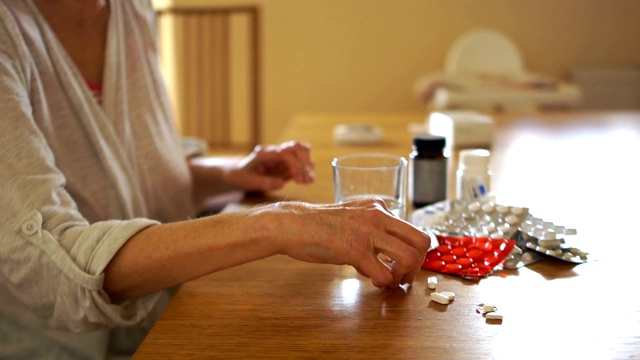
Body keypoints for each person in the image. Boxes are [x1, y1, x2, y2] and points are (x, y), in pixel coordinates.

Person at [0, 0, 430, 358]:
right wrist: (279, 223)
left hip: (164, 317)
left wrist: (227, 173)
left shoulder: (130, 8)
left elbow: (133, 177)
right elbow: (51, 267)